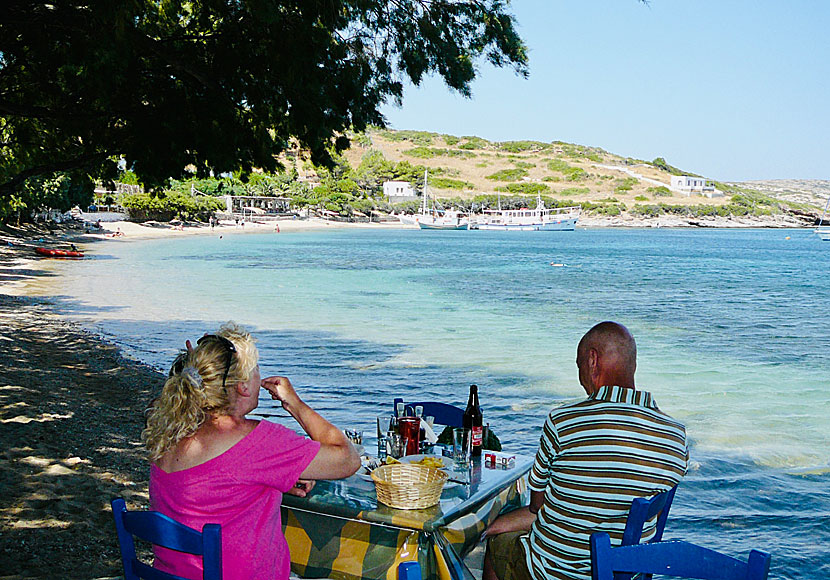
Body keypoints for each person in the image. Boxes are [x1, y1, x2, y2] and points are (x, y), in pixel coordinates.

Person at [143, 322, 360, 580]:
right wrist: (294, 403)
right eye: (256, 368)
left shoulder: (170, 431)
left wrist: (268, 480)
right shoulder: (258, 442)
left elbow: (215, 484)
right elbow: (348, 459)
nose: (260, 375)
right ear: (242, 386)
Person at [483, 322, 688, 580]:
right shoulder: (675, 435)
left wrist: (495, 526)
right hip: (625, 574)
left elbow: (537, 506)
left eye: (579, 364)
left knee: (498, 548)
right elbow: (653, 511)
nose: (580, 378)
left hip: (553, 573)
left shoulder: (563, 421)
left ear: (592, 361)